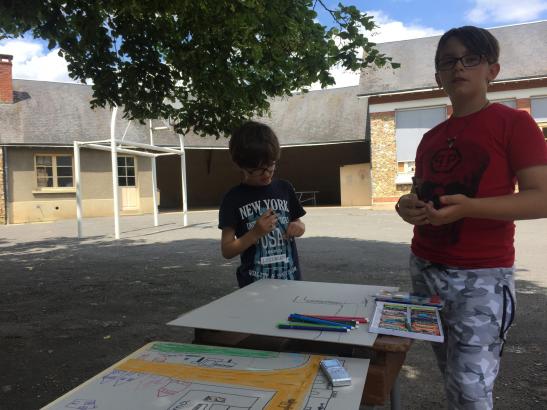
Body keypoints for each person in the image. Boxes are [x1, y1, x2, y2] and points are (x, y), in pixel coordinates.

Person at [395, 26, 547, 409]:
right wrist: (407, 206)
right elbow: (425, 195)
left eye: (470, 58)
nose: (458, 67)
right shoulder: (431, 137)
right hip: (424, 268)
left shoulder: (514, 123)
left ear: (491, 70)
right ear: (437, 76)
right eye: (448, 61)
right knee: (450, 373)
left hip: (481, 276)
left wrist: (471, 207)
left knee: (470, 390)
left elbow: (542, 199)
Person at [219, 121, 306, 288]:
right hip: (253, 286)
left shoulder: (285, 188)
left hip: (291, 281)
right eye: (258, 170)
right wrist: (255, 233)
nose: (267, 174)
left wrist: (298, 227)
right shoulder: (232, 198)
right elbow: (227, 250)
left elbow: (298, 223)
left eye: (271, 166)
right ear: (240, 166)